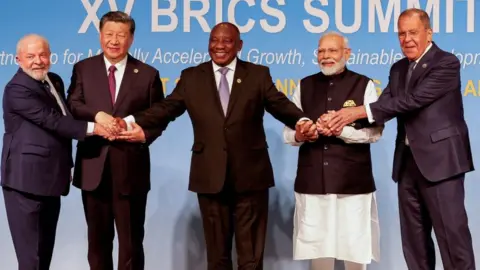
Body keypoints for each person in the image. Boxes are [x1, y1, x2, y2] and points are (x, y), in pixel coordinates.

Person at [115, 22, 317, 269]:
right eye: (214, 40)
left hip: (251, 176)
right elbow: (166, 108)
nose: (219, 46)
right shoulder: (191, 77)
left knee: (251, 256)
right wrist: (131, 121)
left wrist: (302, 120)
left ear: (239, 45)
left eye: (227, 41)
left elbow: (279, 104)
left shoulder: (257, 74)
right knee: (216, 255)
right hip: (209, 175)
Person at [325, 8, 475, 270]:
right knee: (414, 244)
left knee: (453, 242)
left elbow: (412, 100)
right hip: (407, 165)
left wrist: (357, 111)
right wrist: (341, 119)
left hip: (441, 164)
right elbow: (384, 104)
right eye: (401, 34)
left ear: (429, 33)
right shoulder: (398, 68)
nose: (407, 39)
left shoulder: (446, 63)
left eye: (413, 33)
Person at [66, 11, 165, 270]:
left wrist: (144, 134)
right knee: (97, 242)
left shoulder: (147, 74)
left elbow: (158, 117)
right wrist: (97, 115)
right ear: (100, 35)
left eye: (121, 35)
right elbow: (73, 104)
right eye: (109, 34)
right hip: (93, 166)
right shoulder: (83, 69)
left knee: (131, 242)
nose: (114, 40)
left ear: (131, 39)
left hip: (131, 169)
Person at [1, 34, 108, 270]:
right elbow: (53, 121)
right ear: (18, 59)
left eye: (42, 55)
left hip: (52, 179)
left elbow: (67, 115)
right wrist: (96, 128)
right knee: (31, 259)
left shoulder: (54, 80)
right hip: (24, 182)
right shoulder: (17, 89)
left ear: (50, 55)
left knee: (44, 252)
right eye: (30, 56)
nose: (38, 61)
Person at [283, 31, 383, 270]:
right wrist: (302, 134)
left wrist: (341, 130)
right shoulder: (304, 85)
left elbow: (376, 133)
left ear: (346, 53)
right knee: (318, 249)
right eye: (321, 51)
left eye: (332, 50)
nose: (326, 56)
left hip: (353, 184)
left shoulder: (364, 84)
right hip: (313, 182)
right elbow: (289, 133)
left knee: (355, 249)